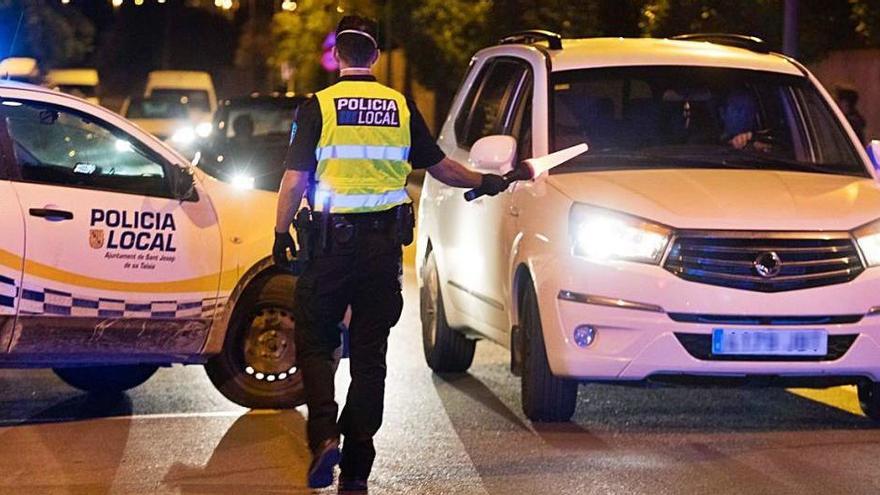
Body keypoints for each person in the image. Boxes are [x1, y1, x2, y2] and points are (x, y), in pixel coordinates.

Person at [272, 15, 508, 492]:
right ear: (376, 55)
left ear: (338, 54)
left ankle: (323, 438)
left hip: (329, 246)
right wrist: (486, 180)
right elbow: (441, 168)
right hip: (381, 251)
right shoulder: (400, 106)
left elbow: (295, 180)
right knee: (369, 353)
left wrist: (280, 235)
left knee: (317, 339)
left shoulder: (318, 106)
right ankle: (357, 468)